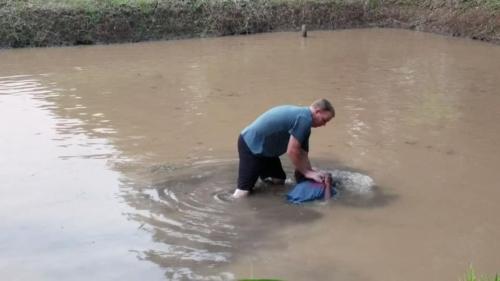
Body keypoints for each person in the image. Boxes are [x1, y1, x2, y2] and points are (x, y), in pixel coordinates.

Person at [233, 99, 335, 198]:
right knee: (243, 192)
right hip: (251, 145)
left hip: (267, 150)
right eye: (324, 120)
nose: (324, 125)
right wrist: (307, 173)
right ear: (317, 111)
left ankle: (261, 185)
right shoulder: (304, 119)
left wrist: (311, 172)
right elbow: (292, 150)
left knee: (279, 180)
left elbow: (302, 154)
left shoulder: (306, 124)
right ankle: (234, 208)